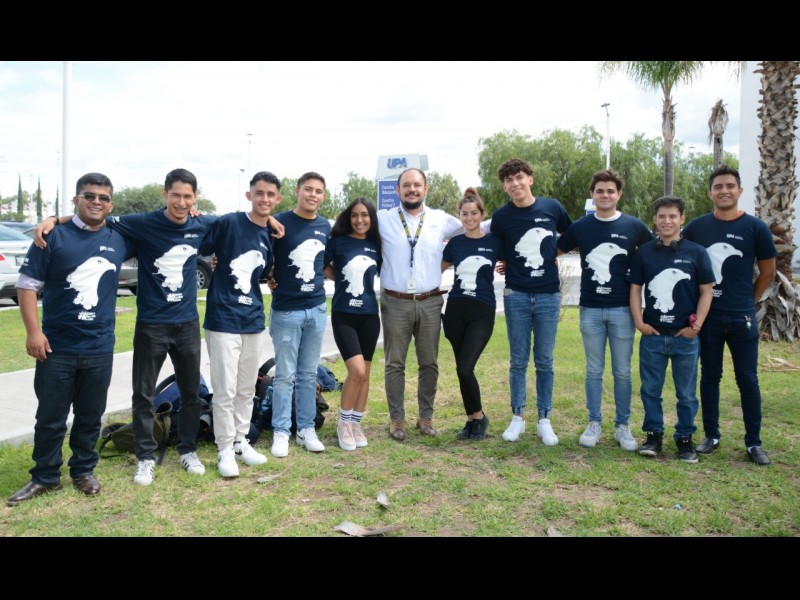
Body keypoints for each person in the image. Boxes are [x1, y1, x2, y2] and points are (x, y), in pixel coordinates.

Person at [7, 173, 133, 506]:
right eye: (89, 196)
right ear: (76, 200)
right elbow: (26, 286)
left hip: (99, 346)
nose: (96, 202)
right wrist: (34, 332)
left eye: (103, 198)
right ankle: (45, 476)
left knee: (91, 415)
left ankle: (83, 470)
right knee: (51, 417)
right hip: (56, 346)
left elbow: (161, 226)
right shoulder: (52, 236)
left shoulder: (119, 237)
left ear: (111, 205)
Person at [682, 165, 778, 466]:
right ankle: (711, 436)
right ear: (710, 193)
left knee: (747, 379)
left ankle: (753, 443)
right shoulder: (696, 228)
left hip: (741, 317)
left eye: (730, 186)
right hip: (708, 317)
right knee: (710, 376)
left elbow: (768, 271)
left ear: (739, 190)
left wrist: (749, 299)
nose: (724, 191)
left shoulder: (755, 227)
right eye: (718, 187)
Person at [556, 169, 653, 451]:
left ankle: (623, 426)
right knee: (594, 370)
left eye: (611, 191)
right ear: (592, 195)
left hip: (623, 309)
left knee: (622, 372)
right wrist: (512, 262)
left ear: (619, 194)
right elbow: (553, 251)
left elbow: (654, 257)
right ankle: (594, 423)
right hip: (590, 309)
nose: (605, 195)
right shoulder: (581, 227)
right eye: (600, 191)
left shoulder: (634, 226)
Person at [199, 171, 280, 477]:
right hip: (223, 319)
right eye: (259, 193)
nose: (264, 199)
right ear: (249, 195)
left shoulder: (270, 234)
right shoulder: (229, 222)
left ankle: (239, 441)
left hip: (253, 320)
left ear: (277, 199)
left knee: (246, 388)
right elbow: (202, 239)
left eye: (270, 194)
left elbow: (266, 273)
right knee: (225, 389)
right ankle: (223, 449)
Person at [490, 158, 572, 446]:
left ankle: (544, 419)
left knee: (545, 361)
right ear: (505, 186)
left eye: (519, 177)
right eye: (509, 180)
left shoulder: (552, 207)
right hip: (516, 295)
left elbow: (572, 233)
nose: (515, 184)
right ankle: (518, 417)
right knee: (518, 361)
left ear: (530, 179)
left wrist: (552, 252)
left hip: (548, 294)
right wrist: (505, 262)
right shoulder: (501, 217)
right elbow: (499, 249)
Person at [377, 168, 464, 441]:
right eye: (406, 185)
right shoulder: (382, 219)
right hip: (395, 302)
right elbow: (345, 225)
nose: (411, 189)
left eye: (417, 185)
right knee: (395, 364)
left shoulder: (441, 219)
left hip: (430, 301)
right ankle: (397, 420)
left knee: (429, 363)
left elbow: (474, 226)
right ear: (397, 190)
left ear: (426, 189)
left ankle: (425, 418)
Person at [629, 196, 714, 462]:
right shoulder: (644, 252)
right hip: (653, 336)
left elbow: (707, 292)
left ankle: (684, 439)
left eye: (672, 216)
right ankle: (653, 435)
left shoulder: (697, 252)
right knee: (650, 390)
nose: (667, 221)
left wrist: (696, 326)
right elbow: (635, 289)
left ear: (682, 219)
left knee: (686, 394)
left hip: (685, 338)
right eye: (662, 216)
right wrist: (639, 322)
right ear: (655, 220)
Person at [268, 172, 331, 458]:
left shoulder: (325, 226)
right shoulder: (278, 221)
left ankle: (306, 428)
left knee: (308, 374)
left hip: (316, 308)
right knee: (284, 376)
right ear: (297, 191)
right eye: (308, 189)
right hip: (286, 310)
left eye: (318, 191)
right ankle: (281, 430)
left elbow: (327, 264)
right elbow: (262, 252)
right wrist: (270, 275)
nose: (312, 195)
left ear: (323, 196)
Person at [441, 188, 502, 440]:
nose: (469, 218)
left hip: (482, 311)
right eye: (464, 214)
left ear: (482, 214)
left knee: (466, 367)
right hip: (455, 310)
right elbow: (436, 269)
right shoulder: (455, 244)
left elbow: (514, 259)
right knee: (460, 368)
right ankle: (471, 420)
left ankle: (479, 416)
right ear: (460, 216)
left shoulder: (494, 242)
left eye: (474, 213)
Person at [323, 197, 382, 451]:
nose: (360, 220)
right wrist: (340, 279)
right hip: (344, 314)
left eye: (365, 215)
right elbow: (322, 264)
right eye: (355, 215)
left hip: (369, 315)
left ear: (371, 218)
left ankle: (356, 423)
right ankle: (343, 423)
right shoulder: (338, 242)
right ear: (349, 218)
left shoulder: (376, 245)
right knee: (356, 371)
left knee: (365, 373)